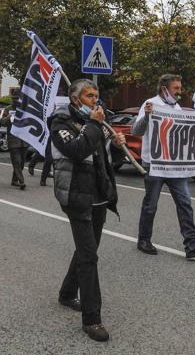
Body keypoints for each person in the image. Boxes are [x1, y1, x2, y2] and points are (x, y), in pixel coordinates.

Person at [52, 79, 125, 342]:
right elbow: (77, 149)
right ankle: (92, 319)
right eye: (90, 96)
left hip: (99, 197)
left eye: (97, 95)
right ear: (75, 99)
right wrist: (94, 125)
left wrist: (116, 147)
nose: (96, 100)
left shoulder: (97, 125)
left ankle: (66, 293)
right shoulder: (61, 123)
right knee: (89, 256)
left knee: (88, 250)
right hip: (76, 196)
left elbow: (105, 161)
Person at [132, 74, 195, 258]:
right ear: (164, 89)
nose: (180, 92)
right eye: (176, 88)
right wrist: (147, 116)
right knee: (151, 205)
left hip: (175, 165)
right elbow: (136, 131)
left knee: (185, 203)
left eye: (179, 88)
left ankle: (192, 244)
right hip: (154, 165)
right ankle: (144, 239)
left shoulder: (176, 107)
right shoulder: (150, 104)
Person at [0, 95, 29, 190]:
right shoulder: (8, 109)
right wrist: (8, 117)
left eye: (18, 98)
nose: (17, 100)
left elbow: (30, 121)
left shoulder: (25, 109)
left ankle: (14, 180)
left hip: (24, 139)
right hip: (13, 139)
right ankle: (22, 181)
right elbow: (2, 122)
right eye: (15, 99)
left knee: (22, 163)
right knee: (16, 161)